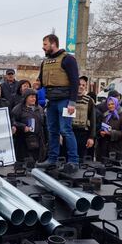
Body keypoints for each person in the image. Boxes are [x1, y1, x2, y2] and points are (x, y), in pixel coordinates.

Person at [37, 34, 80, 169]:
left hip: (65, 101)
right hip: (51, 101)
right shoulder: (45, 62)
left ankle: (73, 161)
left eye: (45, 44)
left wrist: (72, 102)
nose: (43, 47)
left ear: (53, 44)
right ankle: (52, 160)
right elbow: (41, 82)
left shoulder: (68, 59)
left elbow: (75, 81)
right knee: (52, 131)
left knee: (66, 130)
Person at [11, 89, 47, 163]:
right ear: (26, 98)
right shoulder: (17, 109)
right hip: (24, 141)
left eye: (35, 97)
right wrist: (23, 127)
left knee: (39, 162)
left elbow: (45, 123)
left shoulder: (39, 108)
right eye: (31, 97)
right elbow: (13, 122)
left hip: (39, 140)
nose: (34, 99)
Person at [71, 76, 96, 163]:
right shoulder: (69, 100)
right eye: (79, 84)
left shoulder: (89, 101)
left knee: (81, 159)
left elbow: (93, 120)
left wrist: (91, 137)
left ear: (85, 87)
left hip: (83, 134)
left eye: (83, 85)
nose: (81, 86)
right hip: (69, 133)